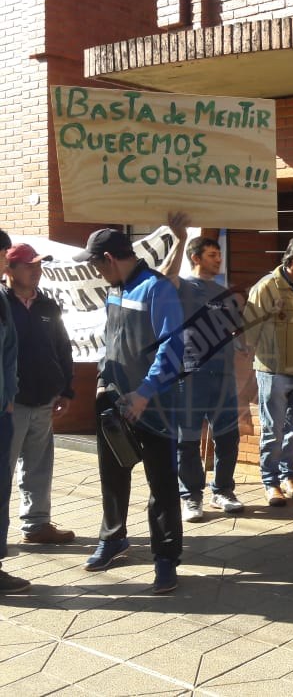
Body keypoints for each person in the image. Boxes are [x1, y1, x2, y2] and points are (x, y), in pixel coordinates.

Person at [75, 227, 185, 594]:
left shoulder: (157, 289)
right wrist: (104, 380)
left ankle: (166, 559)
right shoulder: (114, 289)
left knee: (163, 485)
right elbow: (110, 341)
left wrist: (145, 392)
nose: (95, 272)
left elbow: (173, 351)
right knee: (113, 476)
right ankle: (113, 539)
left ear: (109, 259)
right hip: (115, 403)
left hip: (156, 408)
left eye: (95, 264)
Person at [169, 234, 246, 522]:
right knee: (187, 439)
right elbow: (166, 278)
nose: (219, 259)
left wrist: (241, 344)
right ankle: (190, 496)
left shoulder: (222, 290)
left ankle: (223, 491)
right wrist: (178, 239)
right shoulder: (183, 287)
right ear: (196, 258)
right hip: (190, 374)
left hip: (223, 376)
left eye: (219, 254)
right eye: (212, 254)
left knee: (228, 437)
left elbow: (233, 328)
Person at [3, 244, 75, 545]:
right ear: (9, 269)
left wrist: (66, 390)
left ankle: (37, 525)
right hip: (10, 404)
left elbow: (62, 348)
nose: (37, 271)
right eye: (29, 265)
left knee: (39, 464)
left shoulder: (48, 306)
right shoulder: (2, 304)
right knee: (3, 470)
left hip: (44, 400)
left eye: (39, 265)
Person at [245, 236, 293, 506]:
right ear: (292, 261)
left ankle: (289, 475)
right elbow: (248, 331)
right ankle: (270, 482)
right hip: (273, 370)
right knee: (272, 429)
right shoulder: (267, 287)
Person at [0, 230, 29, 593]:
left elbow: (10, 353)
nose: (6, 259)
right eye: (3, 252)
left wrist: (10, 395)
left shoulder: (1, 301)